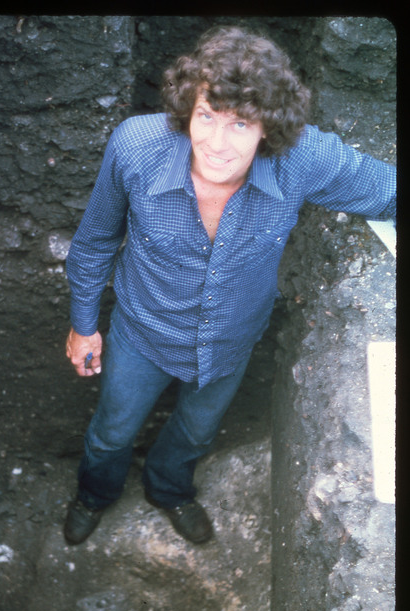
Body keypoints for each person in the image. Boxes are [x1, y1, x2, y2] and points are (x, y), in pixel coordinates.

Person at [63, 25, 396, 546]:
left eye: (240, 123)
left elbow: (385, 189)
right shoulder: (137, 147)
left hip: (230, 342)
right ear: (187, 108)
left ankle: (169, 490)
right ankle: (94, 496)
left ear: (269, 127)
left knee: (195, 432)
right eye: (206, 116)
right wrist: (84, 327)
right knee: (111, 434)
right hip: (141, 333)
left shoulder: (300, 158)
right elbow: (94, 242)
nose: (216, 143)